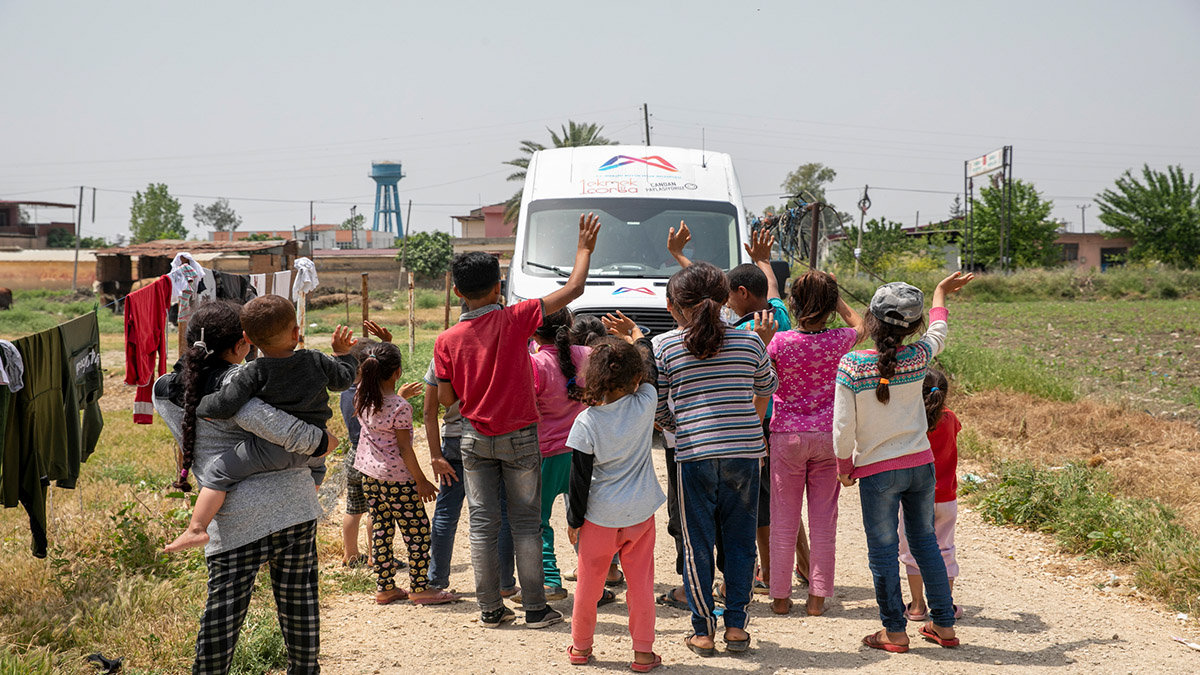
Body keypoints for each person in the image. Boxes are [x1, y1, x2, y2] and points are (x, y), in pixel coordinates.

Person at [434, 212, 602, 629]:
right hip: (522, 438)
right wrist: (583, 248)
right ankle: (535, 608)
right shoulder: (515, 319)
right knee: (527, 523)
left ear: (457, 291)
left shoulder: (446, 341)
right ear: (498, 287)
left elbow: (446, 399)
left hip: (473, 438)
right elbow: (573, 289)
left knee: (482, 525)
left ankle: (490, 609)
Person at [153, 301, 331, 674]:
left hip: (230, 515)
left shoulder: (162, 389)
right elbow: (284, 431)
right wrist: (321, 441)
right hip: (293, 505)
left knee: (223, 613)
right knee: (299, 602)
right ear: (242, 343)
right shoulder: (242, 382)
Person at [833, 272, 973, 652]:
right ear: (914, 326)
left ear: (872, 320)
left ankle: (894, 632)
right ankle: (944, 625)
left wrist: (844, 466)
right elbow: (940, 330)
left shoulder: (851, 365)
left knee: (882, 551)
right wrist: (941, 292)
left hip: (878, 472)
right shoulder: (919, 357)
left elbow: (843, 427)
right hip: (920, 467)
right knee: (925, 542)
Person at [654, 262, 778, 656]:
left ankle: (703, 630)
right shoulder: (751, 342)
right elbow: (766, 386)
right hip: (745, 453)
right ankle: (737, 627)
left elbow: (657, 406)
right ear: (726, 299)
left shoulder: (665, 346)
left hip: (694, 454)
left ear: (675, 307)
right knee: (741, 543)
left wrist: (683, 424)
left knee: (697, 544)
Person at [166, 295, 357, 553]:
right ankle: (303, 508)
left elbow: (225, 405)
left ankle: (196, 529)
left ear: (248, 339)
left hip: (272, 450)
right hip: (315, 452)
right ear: (297, 332)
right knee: (317, 471)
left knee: (219, 473)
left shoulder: (253, 371)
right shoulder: (316, 359)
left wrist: (196, 405)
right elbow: (343, 381)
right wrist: (343, 354)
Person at [765, 269, 864, 616]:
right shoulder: (840, 339)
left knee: (783, 519)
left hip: (787, 437)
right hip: (829, 439)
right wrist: (833, 294)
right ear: (830, 307)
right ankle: (817, 599)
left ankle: (780, 598)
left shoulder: (780, 341)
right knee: (824, 520)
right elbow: (863, 325)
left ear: (792, 303)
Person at [565, 335, 664, 672]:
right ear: (635, 378)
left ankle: (580, 648)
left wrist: (574, 520)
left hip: (598, 518)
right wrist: (638, 337)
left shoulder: (586, 422)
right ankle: (642, 653)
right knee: (641, 586)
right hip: (639, 514)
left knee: (587, 587)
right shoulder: (647, 400)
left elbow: (578, 480)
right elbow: (650, 371)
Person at [353, 341, 458, 605]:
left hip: (369, 476)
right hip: (398, 480)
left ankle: (385, 587)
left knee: (381, 527)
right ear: (398, 372)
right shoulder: (400, 407)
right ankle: (420, 588)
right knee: (418, 531)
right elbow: (404, 448)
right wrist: (421, 480)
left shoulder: (361, 397)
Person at [530, 308, 591, 601]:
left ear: (533, 332)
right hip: (584, 453)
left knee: (539, 521)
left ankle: (551, 580)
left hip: (546, 455)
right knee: (588, 520)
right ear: (569, 325)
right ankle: (595, 582)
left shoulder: (535, 363)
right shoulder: (588, 355)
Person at [898, 368, 964, 622]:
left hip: (915, 496)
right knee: (945, 548)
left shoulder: (911, 420)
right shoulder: (951, 418)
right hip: (947, 497)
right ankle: (944, 607)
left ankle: (916, 606)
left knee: (911, 549)